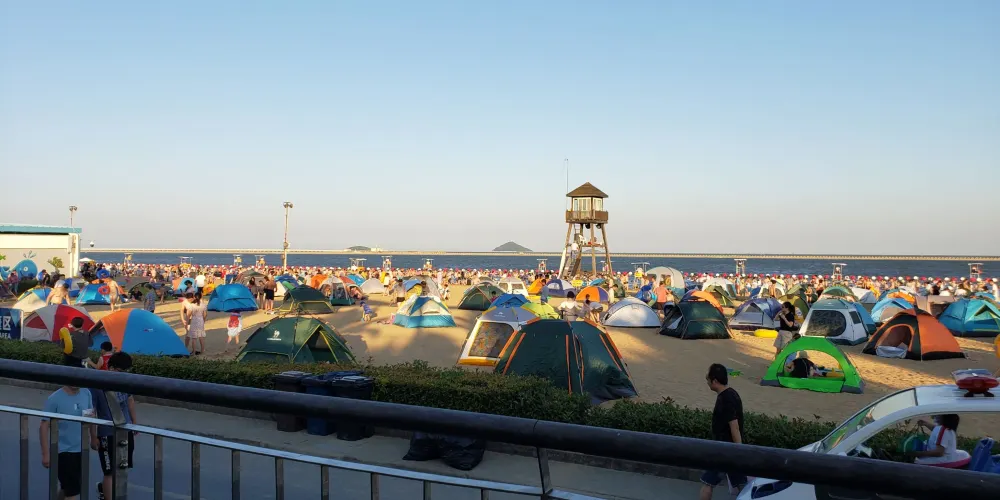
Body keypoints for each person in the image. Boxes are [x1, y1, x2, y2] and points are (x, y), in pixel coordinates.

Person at [91, 352, 137, 500]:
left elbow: (130, 400)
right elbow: (92, 411)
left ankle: (108, 491)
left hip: (125, 430)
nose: (124, 374)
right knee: (109, 471)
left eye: (127, 371)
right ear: (111, 368)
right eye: (120, 371)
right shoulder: (97, 385)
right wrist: (93, 436)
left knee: (122, 468)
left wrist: (134, 422)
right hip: (106, 433)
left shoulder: (126, 381)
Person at [700, 363, 747, 500]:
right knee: (742, 486)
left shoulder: (726, 398)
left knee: (708, 484)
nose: (707, 382)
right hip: (729, 449)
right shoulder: (731, 393)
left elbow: (734, 426)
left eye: (708, 379)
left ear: (714, 381)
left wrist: (739, 450)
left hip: (724, 450)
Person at [40, 383, 94, 500]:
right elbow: (44, 425)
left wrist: (94, 437)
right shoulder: (54, 398)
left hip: (81, 449)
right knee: (72, 491)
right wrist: (45, 454)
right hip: (63, 451)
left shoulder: (86, 393)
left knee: (68, 488)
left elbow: (91, 416)